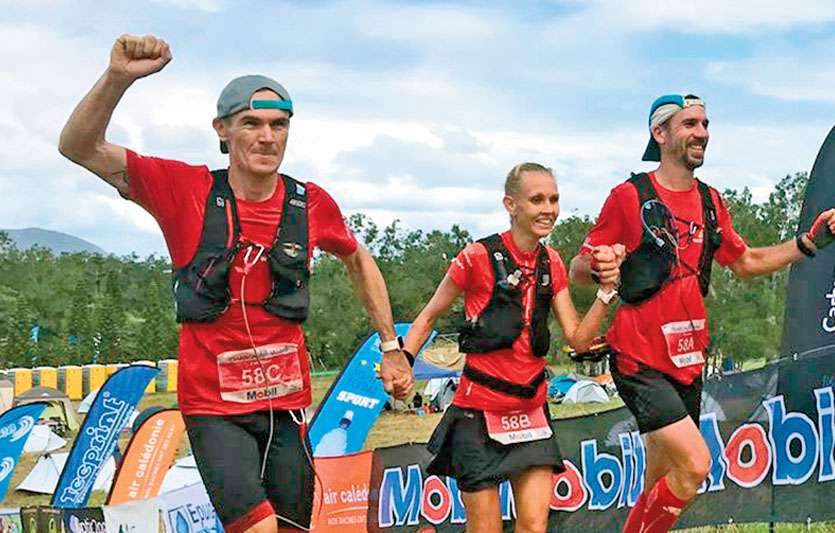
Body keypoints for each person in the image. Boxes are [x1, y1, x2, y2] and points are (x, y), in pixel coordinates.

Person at [58, 34, 413, 533]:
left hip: (286, 410)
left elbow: (359, 259)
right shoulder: (184, 189)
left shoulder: (310, 204)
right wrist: (118, 78)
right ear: (222, 130)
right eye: (252, 124)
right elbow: (77, 147)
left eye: (279, 125)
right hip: (213, 410)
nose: (267, 137)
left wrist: (391, 345)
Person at [569, 94, 835, 532]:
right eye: (690, 124)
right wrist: (599, 263)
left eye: (706, 124)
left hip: (687, 364)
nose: (702, 133)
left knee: (658, 483)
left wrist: (808, 242)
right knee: (695, 465)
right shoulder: (628, 196)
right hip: (639, 360)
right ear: (660, 134)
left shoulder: (711, 201)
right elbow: (580, 267)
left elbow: (746, 262)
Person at [403, 163, 624, 533]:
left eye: (554, 199)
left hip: (531, 411)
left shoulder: (551, 262)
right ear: (511, 204)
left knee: (534, 526)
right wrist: (402, 359)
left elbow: (578, 338)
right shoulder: (476, 257)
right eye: (537, 199)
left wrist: (605, 293)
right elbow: (428, 316)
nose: (549, 208)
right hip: (479, 414)